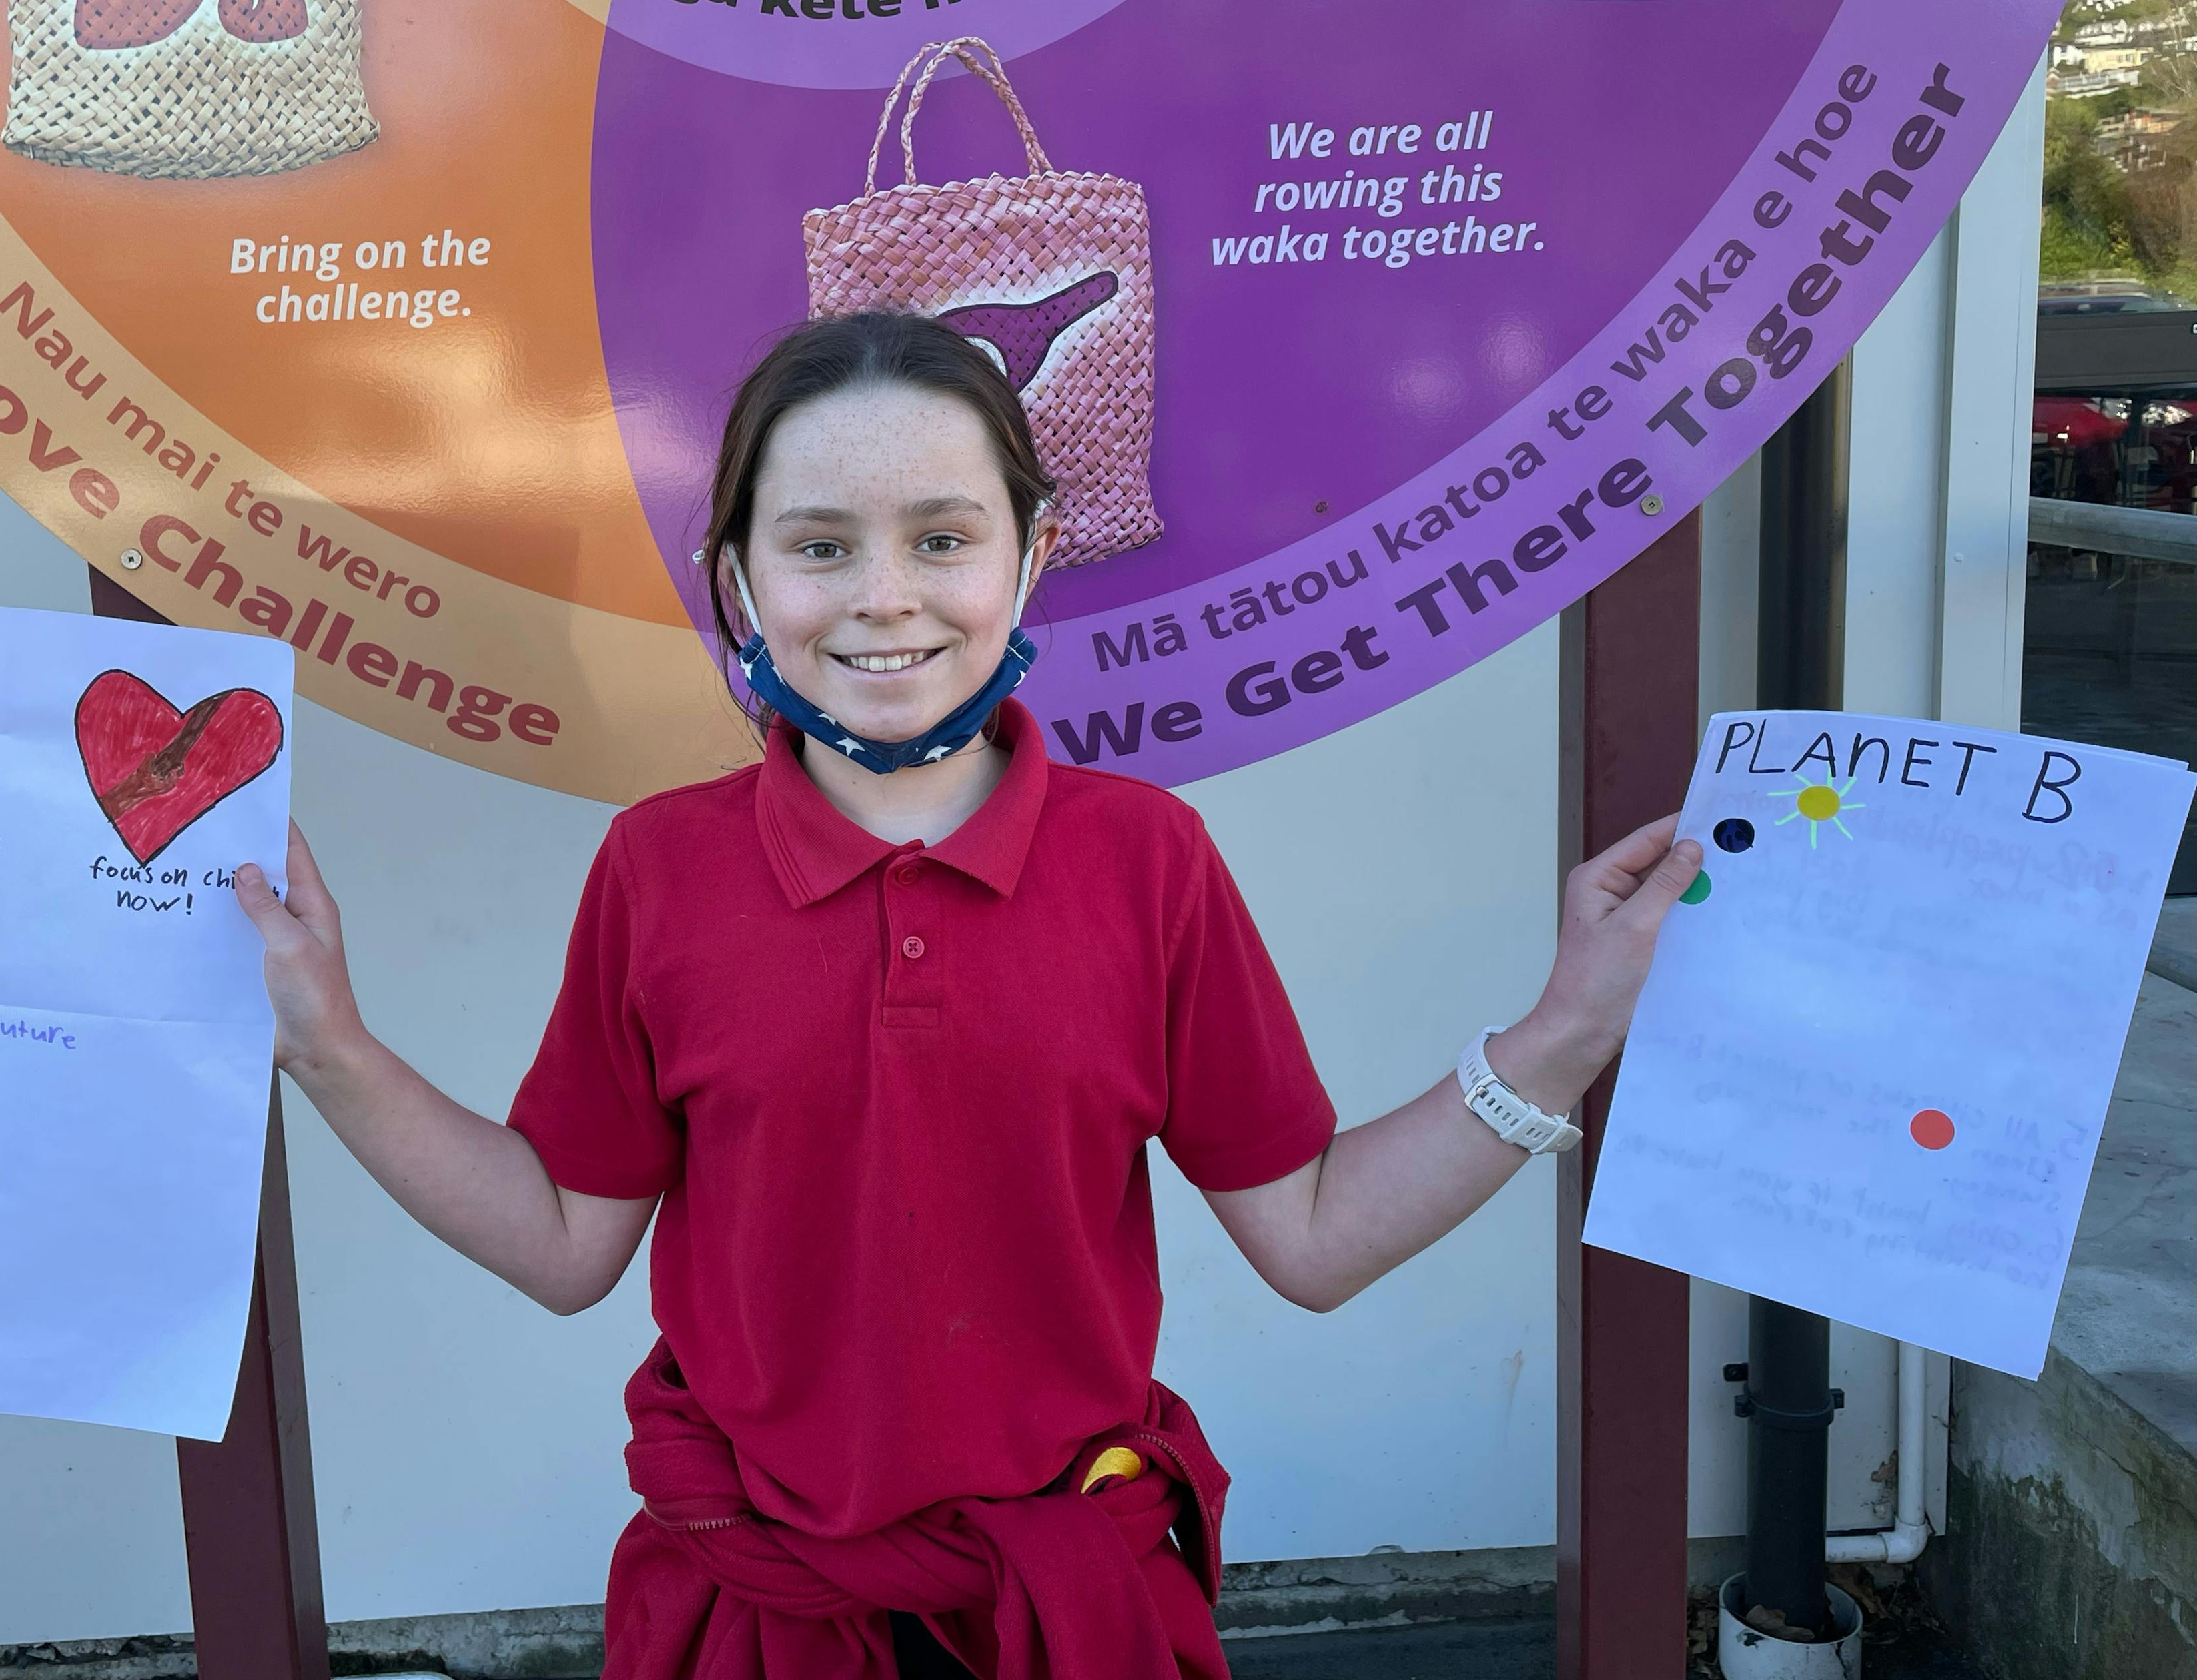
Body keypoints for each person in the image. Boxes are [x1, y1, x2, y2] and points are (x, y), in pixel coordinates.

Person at [236, 312, 1702, 1679]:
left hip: (1072, 1603)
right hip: (751, 1607)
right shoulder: (657, 870)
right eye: (819, 545)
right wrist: (336, 1048)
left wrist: (1564, 1033)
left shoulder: (1147, 859)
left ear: (1033, 551)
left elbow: (1312, 1231)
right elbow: (565, 1241)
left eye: (943, 537)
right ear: (740, 578)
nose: (886, 600)